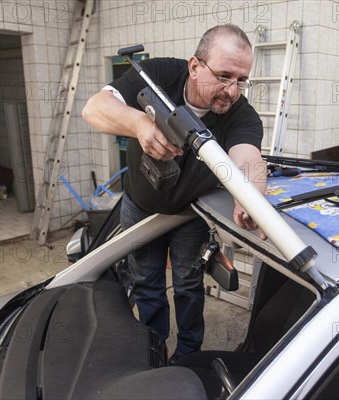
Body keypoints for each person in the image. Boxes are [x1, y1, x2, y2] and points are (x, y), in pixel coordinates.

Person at [82, 24, 267, 363]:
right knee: (146, 284)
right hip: (140, 206)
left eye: (242, 80)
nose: (232, 90)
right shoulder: (155, 76)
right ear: (195, 66)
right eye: (224, 75)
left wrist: (251, 197)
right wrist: (139, 124)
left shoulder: (241, 114)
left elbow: (249, 158)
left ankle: (187, 359)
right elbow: (93, 108)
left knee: (188, 285)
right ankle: (151, 352)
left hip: (189, 214)